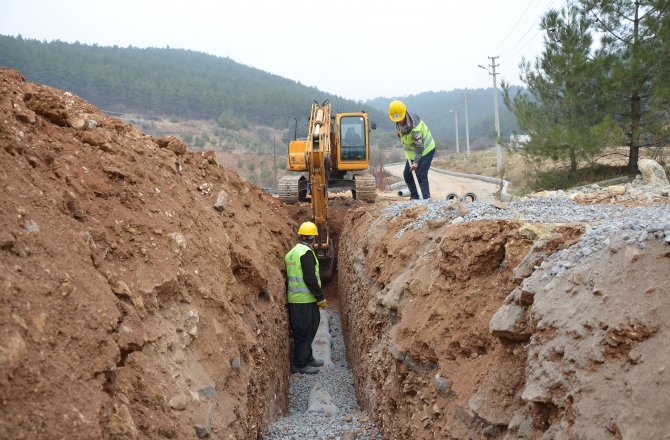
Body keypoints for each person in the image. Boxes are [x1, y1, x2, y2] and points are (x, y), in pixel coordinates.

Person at [284, 221, 328, 374]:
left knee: (306, 330)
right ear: (312, 238)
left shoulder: (292, 252)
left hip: (296, 299)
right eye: (315, 238)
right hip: (305, 300)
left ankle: (308, 358)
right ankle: (300, 364)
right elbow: (310, 278)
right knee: (304, 332)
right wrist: (320, 297)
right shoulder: (306, 253)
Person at [388, 99, 436, 199]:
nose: (398, 122)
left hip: (426, 149)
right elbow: (403, 131)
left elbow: (419, 147)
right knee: (407, 175)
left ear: (405, 113)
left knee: (420, 174)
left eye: (400, 119)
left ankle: (425, 199)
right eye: (396, 120)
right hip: (413, 152)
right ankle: (415, 198)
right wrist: (400, 134)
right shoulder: (399, 122)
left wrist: (416, 163)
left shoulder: (415, 128)